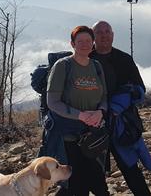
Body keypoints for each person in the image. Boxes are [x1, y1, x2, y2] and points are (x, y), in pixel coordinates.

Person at [90, 21, 151, 196]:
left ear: (113, 35)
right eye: (99, 32)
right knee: (94, 172)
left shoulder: (124, 59)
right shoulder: (85, 59)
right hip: (92, 123)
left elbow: (140, 89)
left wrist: (120, 103)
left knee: (130, 167)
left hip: (121, 123)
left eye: (107, 31)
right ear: (93, 37)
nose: (104, 35)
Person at [47, 25, 110, 196]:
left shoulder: (96, 66)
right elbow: (52, 102)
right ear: (72, 44)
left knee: (98, 182)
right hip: (69, 136)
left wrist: (100, 112)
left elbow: (104, 96)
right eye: (79, 41)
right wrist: (80, 115)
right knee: (76, 185)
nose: (84, 44)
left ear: (93, 44)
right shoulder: (63, 66)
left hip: (93, 134)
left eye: (88, 41)